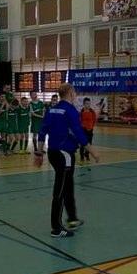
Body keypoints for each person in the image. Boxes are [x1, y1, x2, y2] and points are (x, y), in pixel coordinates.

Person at [35, 83, 99, 238]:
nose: (75, 94)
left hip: (53, 152)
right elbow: (78, 133)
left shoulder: (52, 110)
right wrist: (92, 151)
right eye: (74, 92)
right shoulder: (70, 111)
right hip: (64, 154)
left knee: (68, 185)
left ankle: (72, 218)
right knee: (61, 189)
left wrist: (39, 153)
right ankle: (56, 228)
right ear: (70, 93)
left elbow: (42, 132)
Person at [80, 98, 97, 162]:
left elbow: (94, 120)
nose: (88, 105)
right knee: (82, 144)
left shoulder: (92, 112)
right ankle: (82, 156)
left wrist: (91, 127)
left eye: (89, 104)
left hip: (90, 130)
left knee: (89, 144)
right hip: (83, 130)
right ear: (84, 104)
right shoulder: (81, 112)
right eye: (87, 104)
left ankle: (87, 155)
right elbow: (79, 121)